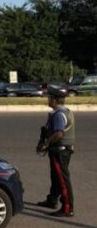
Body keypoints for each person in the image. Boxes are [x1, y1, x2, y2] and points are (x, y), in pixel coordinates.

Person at [36, 86, 75, 217]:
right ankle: (52, 200)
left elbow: (58, 134)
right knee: (56, 177)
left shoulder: (59, 115)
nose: (48, 100)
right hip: (61, 150)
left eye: (49, 98)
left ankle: (67, 208)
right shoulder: (64, 111)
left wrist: (46, 144)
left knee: (63, 180)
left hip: (60, 151)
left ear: (54, 100)